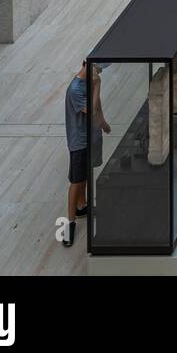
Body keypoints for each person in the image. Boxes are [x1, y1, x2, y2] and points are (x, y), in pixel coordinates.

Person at [63, 62, 110, 248]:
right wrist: (97, 85)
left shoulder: (89, 83)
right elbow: (90, 111)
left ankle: (83, 206)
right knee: (76, 180)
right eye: (98, 70)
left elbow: (97, 106)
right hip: (79, 141)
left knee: (86, 174)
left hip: (91, 136)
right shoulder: (75, 89)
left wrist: (103, 124)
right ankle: (70, 222)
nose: (99, 74)